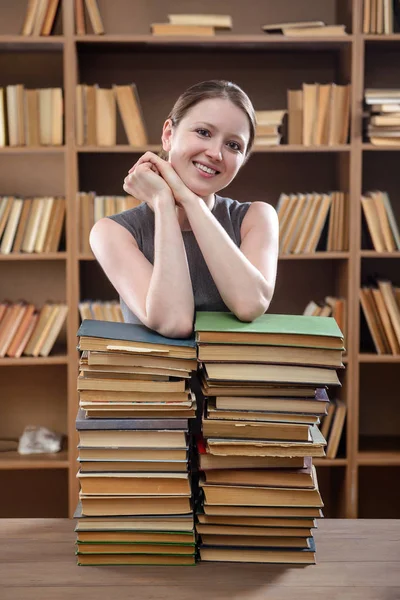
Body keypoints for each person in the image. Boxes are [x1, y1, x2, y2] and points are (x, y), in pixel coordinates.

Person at [90, 80, 279, 338]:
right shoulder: (112, 232)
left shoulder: (256, 218)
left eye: (233, 145)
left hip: (233, 379)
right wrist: (164, 204)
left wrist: (189, 202)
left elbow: (249, 305)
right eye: (203, 132)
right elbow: (173, 322)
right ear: (168, 134)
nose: (216, 153)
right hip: (154, 378)